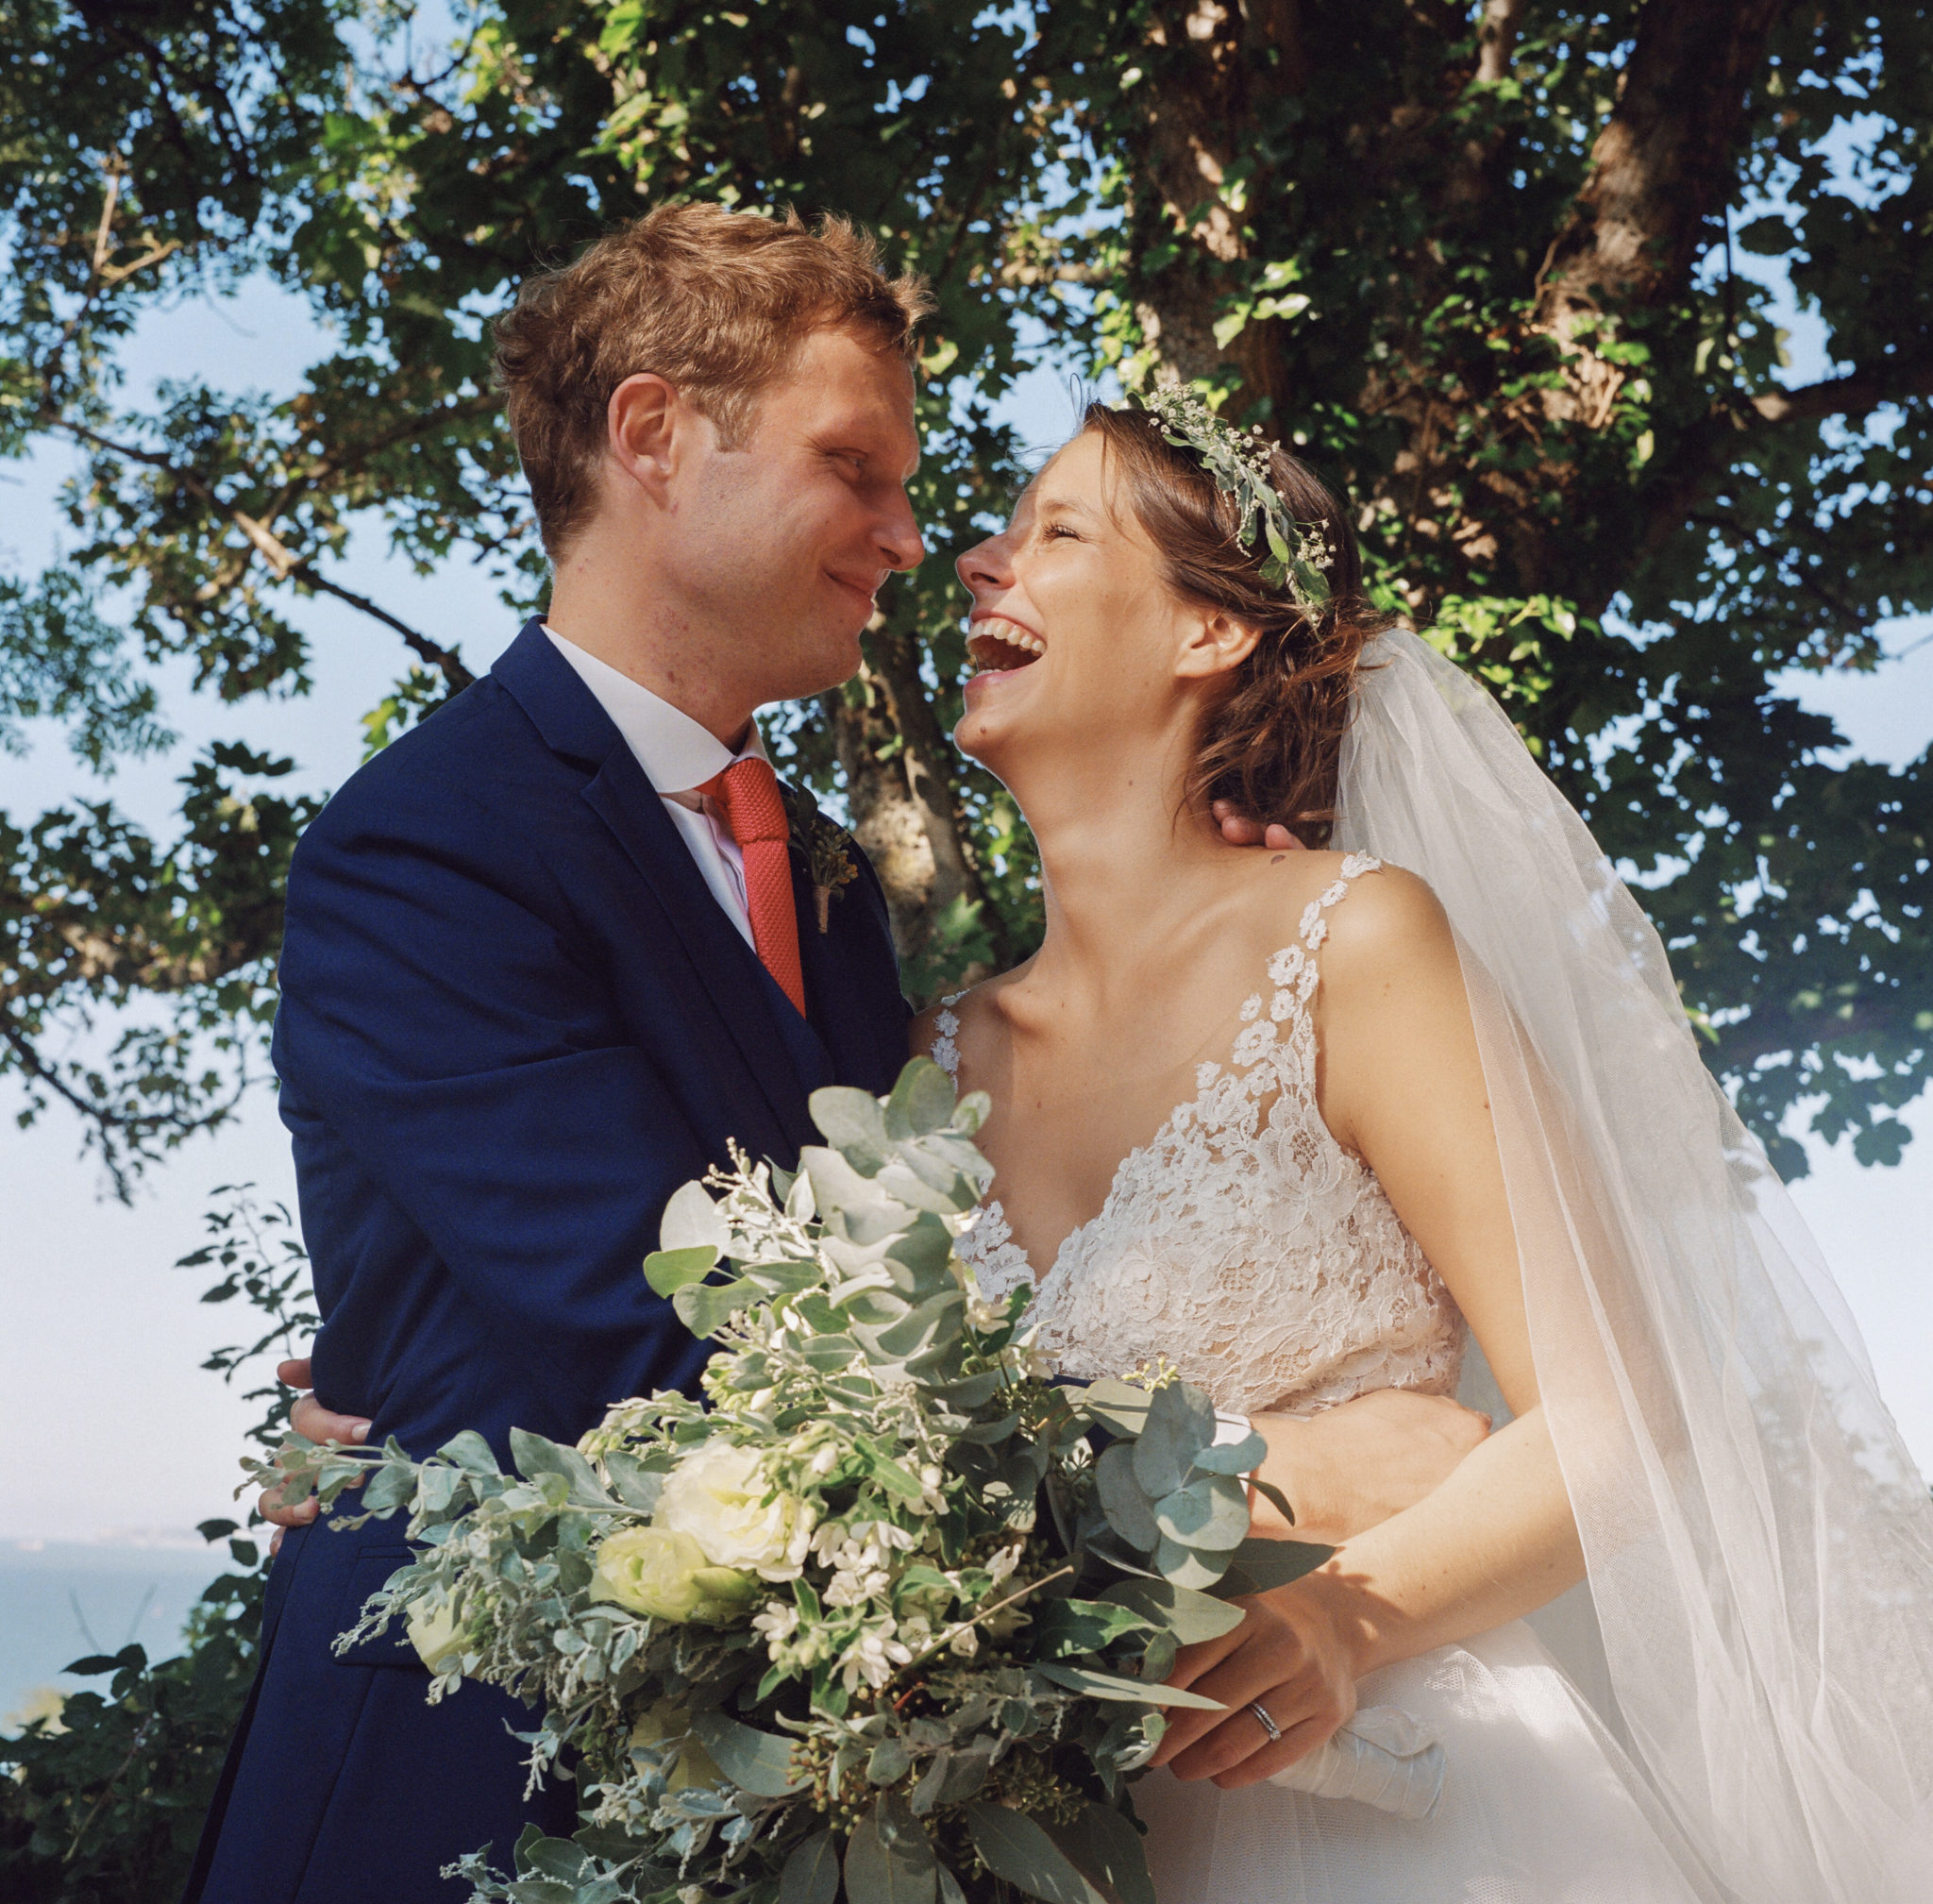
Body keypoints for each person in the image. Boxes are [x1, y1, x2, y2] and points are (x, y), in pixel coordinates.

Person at [217, 208, 1487, 1902]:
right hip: (466, 1784)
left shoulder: (821, 887)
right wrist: (1282, 1469)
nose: (912, 537)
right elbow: (686, 1361)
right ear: (655, 435)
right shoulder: (431, 844)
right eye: (855, 468)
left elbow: (882, 1298)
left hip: (844, 1792)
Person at [922, 395, 1933, 1901]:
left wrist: (1354, 1615)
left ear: (1209, 631)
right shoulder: (928, 1062)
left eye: (1052, 532)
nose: (977, 564)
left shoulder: (1353, 941)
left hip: (1389, 1807)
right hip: (1053, 1836)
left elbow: (1621, 1421)